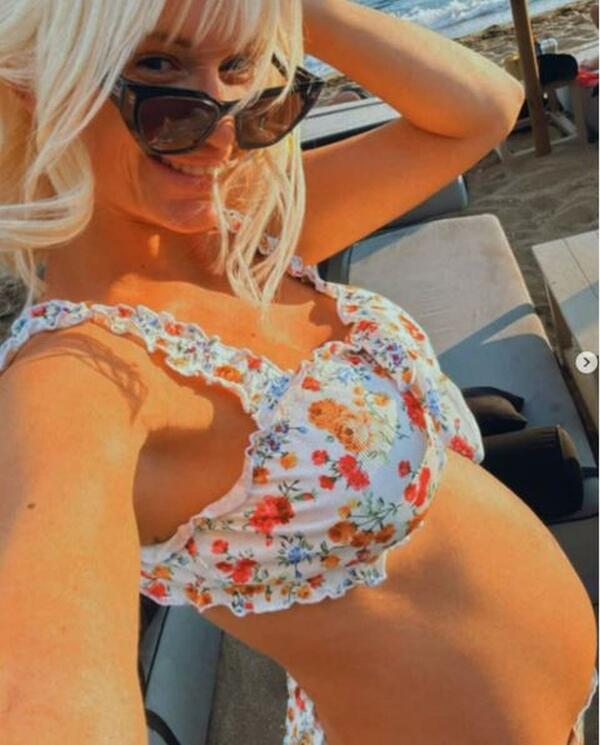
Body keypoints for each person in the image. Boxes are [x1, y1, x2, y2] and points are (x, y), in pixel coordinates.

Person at [0, 1, 596, 744]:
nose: (221, 129)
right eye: (157, 66)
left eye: (239, 70)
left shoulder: (245, 236)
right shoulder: (76, 378)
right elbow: (47, 694)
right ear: (33, 86)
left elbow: (482, 108)